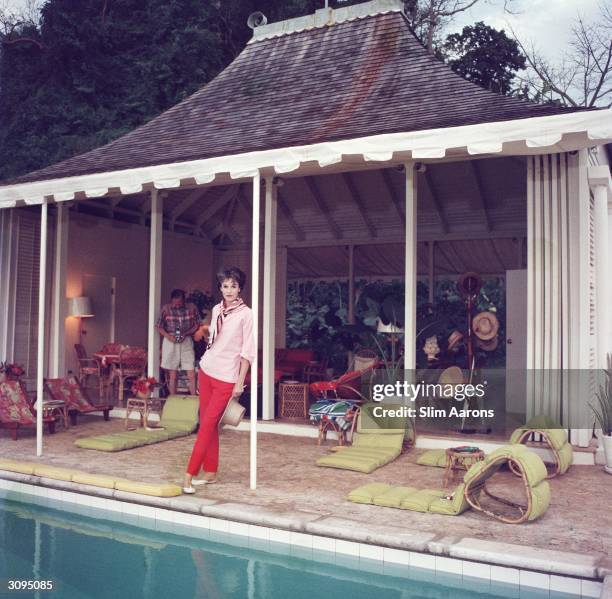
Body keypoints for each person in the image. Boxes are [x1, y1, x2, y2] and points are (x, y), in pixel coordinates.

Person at [183, 267, 254, 493]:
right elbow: (214, 339)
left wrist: (239, 383)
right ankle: (210, 471)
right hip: (206, 370)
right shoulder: (216, 310)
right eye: (225, 286)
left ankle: (188, 475)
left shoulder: (246, 314)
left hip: (226, 377)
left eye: (233, 286)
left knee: (205, 425)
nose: (229, 290)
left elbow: (247, 352)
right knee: (208, 422)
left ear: (240, 287)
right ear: (220, 288)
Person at [157, 289, 201, 395]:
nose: (176, 306)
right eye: (174, 303)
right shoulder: (166, 309)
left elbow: (197, 324)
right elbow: (159, 326)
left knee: (190, 369)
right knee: (173, 372)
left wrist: (186, 333)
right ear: (171, 300)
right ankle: (173, 397)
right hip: (171, 340)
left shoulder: (191, 307)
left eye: (179, 303)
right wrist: (168, 336)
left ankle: (193, 397)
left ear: (184, 301)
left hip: (186, 340)